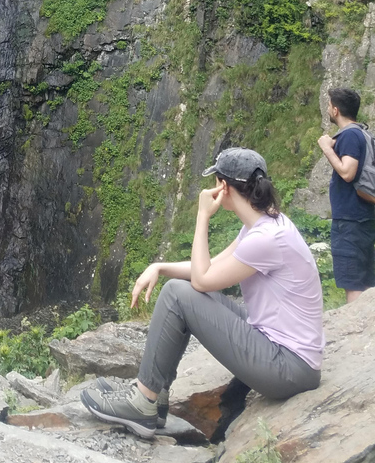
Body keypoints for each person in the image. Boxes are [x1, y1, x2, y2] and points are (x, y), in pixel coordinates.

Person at [81, 148, 325, 439]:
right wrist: (160, 266)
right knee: (179, 290)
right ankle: (153, 395)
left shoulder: (266, 239)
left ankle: (143, 401)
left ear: (223, 187)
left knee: (177, 295)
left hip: (288, 367)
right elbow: (209, 268)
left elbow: (202, 280)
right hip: (283, 351)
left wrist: (202, 216)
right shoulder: (265, 225)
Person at [318, 88, 375, 304]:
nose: (328, 109)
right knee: (366, 282)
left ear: (335, 109)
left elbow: (347, 172)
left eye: (329, 105)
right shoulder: (362, 133)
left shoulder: (350, 135)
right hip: (362, 217)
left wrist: (326, 148)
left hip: (350, 222)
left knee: (353, 284)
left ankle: (355, 336)